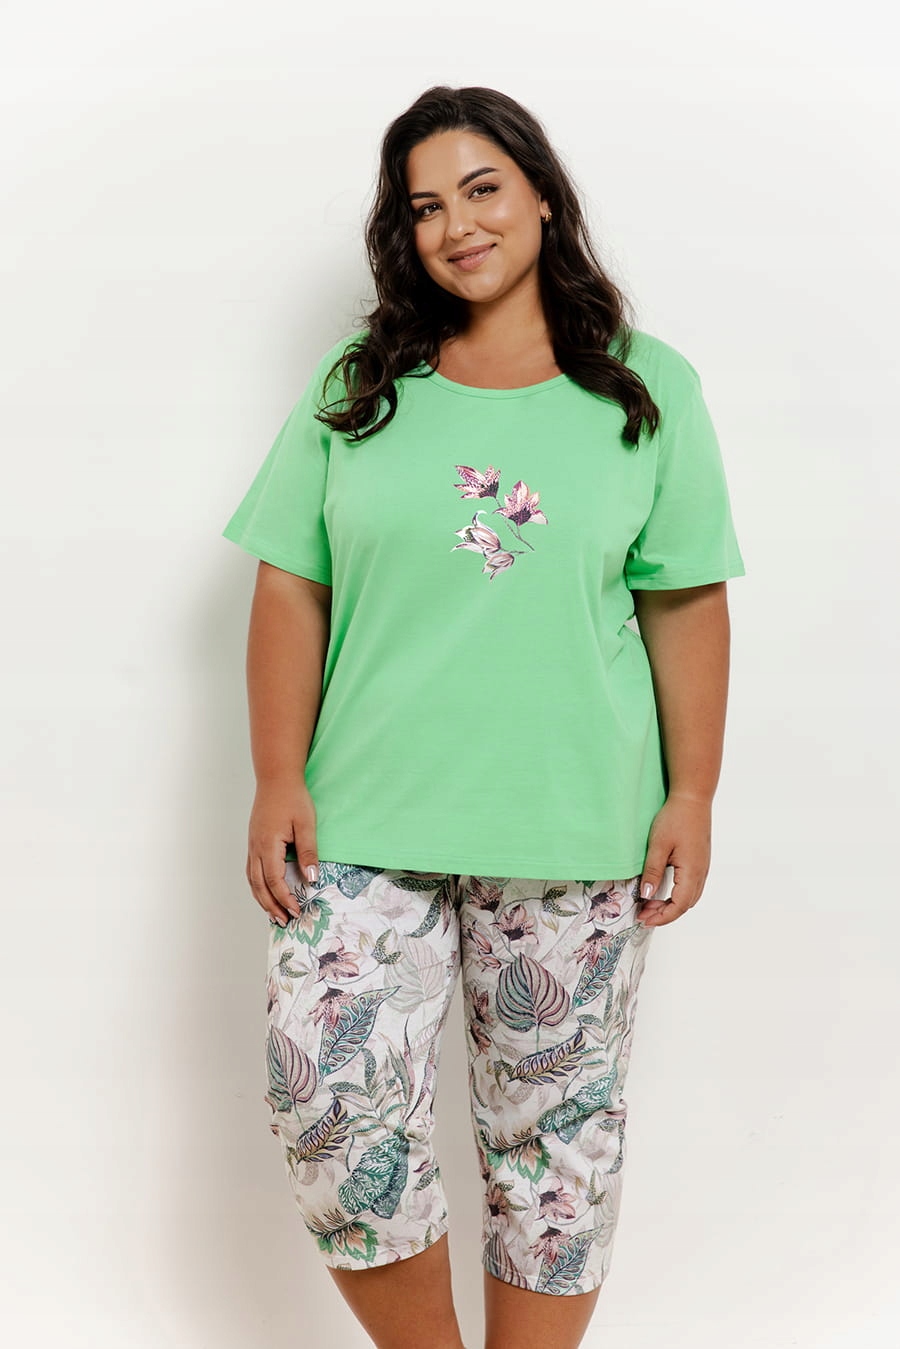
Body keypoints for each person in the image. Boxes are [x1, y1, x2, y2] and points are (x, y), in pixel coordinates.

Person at [222, 85, 744, 1349]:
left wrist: (693, 791)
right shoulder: (363, 385)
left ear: (542, 195)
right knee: (330, 1108)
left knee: (554, 1147)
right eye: (423, 207)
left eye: (481, 188)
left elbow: (685, 601)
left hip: (572, 819)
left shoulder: (646, 389)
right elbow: (290, 585)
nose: (456, 225)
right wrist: (277, 773)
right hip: (361, 820)